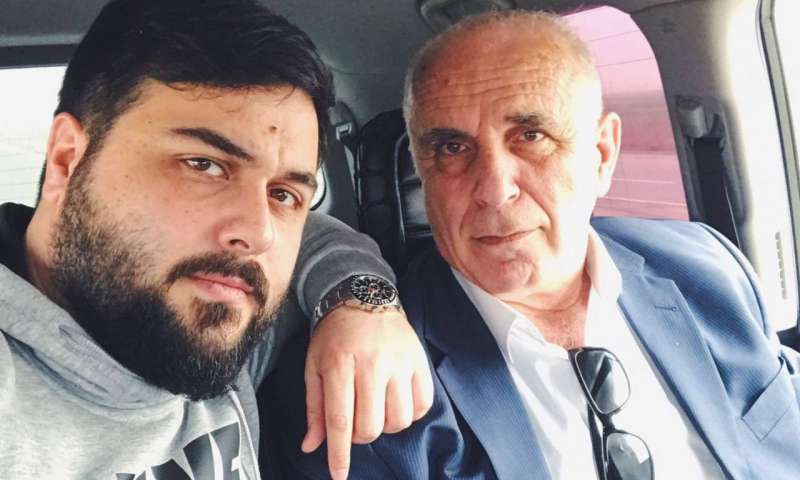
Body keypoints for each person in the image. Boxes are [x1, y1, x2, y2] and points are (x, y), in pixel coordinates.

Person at [266, 10, 800, 480]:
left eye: (531, 136)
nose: (494, 189)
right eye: (452, 147)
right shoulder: (355, 394)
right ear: (422, 172)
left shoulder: (707, 267)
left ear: (601, 154)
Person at [0, 1, 435, 479]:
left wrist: (361, 303)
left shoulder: (215, 317)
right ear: (67, 160)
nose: (258, 233)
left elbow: (316, 233)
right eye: (204, 165)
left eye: (283, 194)